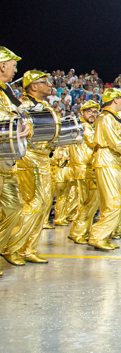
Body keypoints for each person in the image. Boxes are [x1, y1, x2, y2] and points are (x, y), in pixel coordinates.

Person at [3, 71, 55, 265]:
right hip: (29, 157)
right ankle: (13, 247)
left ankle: (28, 248)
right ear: (33, 86)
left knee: (42, 206)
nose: (49, 85)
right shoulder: (23, 106)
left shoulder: (44, 106)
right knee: (33, 203)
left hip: (43, 158)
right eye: (44, 82)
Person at [87, 88, 121, 251]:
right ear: (115, 100)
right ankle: (97, 236)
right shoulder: (105, 118)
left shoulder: (109, 118)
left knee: (112, 201)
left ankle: (103, 236)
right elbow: (115, 143)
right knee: (114, 201)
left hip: (111, 161)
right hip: (107, 160)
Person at [0, 48, 29, 275]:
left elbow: (17, 116)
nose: (15, 69)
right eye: (13, 64)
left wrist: (23, 125)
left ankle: (5, 247)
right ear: (2, 65)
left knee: (14, 206)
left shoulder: (6, 91)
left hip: (6, 161)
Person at [68, 100, 100, 244]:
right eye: (89, 112)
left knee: (86, 202)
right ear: (82, 112)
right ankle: (78, 232)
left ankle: (82, 231)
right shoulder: (85, 127)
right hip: (84, 168)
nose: (93, 114)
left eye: (95, 112)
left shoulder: (84, 125)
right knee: (87, 202)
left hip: (84, 167)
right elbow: (95, 143)